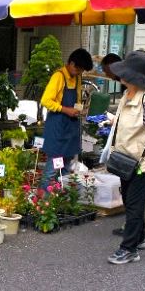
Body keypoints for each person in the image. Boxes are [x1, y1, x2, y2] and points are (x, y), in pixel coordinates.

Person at [106, 51, 145, 265]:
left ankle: (129, 249)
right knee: (129, 202)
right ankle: (137, 240)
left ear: (135, 77)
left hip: (141, 163)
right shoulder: (129, 95)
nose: (120, 76)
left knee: (135, 206)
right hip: (126, 159)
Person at [40, 48, 93, 188]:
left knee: (65, 170)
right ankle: (42, 204)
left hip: (71, 130)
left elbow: (77, 100)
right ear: (71, 63)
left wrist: (79, 109)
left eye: (82, 71)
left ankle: (59, 203)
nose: (79, 73)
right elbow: (45, 101)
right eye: (78, 69)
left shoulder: (77, 78)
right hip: (58, 130)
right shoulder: (58, 76)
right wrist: (65, 109)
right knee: (52, 171)